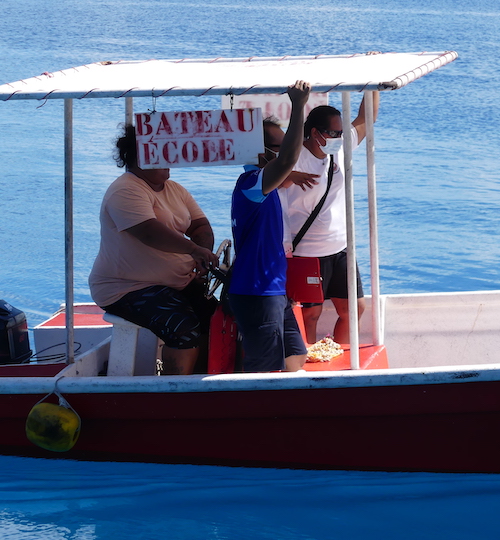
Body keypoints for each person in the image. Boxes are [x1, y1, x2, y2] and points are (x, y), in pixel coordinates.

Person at [89, 126, 219, 375]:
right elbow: (148, 232)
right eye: (160, 152)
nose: (169, 158)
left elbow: (201, 226)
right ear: (139, 157)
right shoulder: (126, 189)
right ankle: (176, 394)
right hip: (127, 287)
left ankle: (203, 385)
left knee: (218, 320)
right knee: (183, 327)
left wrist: (202, 255)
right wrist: (194, 250)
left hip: (176, 282)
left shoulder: (175, 189)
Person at [227, 81, 313, 372]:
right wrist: (299, 104)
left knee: (295, 357)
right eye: (277, 147)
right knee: (263, 368)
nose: (284, 154)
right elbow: (288, 160)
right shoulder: (252, 184)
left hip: (272, 290)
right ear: (260, 152)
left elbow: (287, 165)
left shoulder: (262, 186)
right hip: (256, 291)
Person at [282, 93, 380, 344]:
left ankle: (340, 356)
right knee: (310, 314)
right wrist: (290, 176)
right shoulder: (292, 158)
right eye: (334, 133)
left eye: (341, 132)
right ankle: (307, 362)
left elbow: (367, 119)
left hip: (340, 247)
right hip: (307, 250)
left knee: (353, 309)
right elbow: (267, 181)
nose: (340, 137)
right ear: (315, 133)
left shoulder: (340, 149)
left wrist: (372, 84)